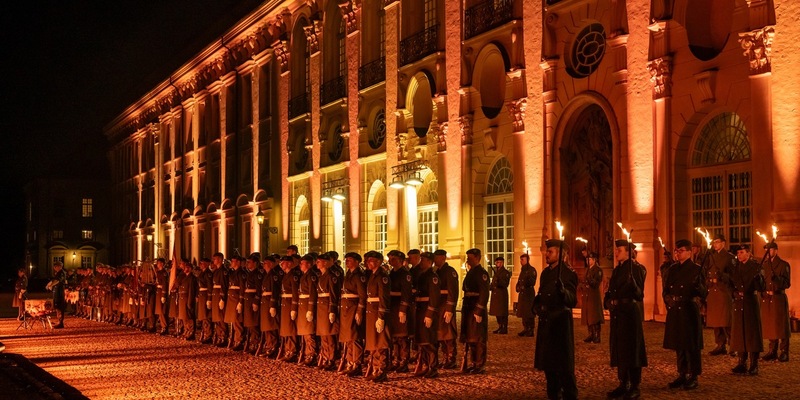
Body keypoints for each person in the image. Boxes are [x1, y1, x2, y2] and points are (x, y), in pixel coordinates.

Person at [534, 239, 578, 400]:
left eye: (550, 251)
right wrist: (537, 305)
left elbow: (572, 300)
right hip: (546, 322)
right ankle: (553, 394)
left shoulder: (568, 273)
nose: (547, 254)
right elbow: (541, 293)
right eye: (547, 251)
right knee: (549, 365)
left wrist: (563, 291)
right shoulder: (546, 273)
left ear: (560, 255)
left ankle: (570, 395)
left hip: (560, 323)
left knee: (563, 365)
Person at [604, 240, 648, 399]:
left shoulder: (635, 269)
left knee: (632, 348)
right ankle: (623, 382)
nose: (616, 252)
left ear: (628, 252)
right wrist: (608, 300)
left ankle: (635, 385)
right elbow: (611, 291)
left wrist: (634, 284)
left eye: (619, 250)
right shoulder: (617, 270)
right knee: (620, 348)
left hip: (630, 313)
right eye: (615, 249)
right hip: (618, 313)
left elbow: (639, 294)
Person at [663, 239, 707, 391]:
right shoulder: (673, 269)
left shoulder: (696, 269)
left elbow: (704, 293)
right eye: (676, 250)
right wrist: (668, 300)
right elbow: (666, 289)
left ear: (689, 252)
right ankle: (682, 373)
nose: (678, 253)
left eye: (681, 250)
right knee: (679, 344)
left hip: (689, 309)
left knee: (691, 345)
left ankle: (693, 375)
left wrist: (698, 287)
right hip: (676, 309)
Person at [730, 244, 765, 375]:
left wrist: (758, 279)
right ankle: (741, 362)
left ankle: (754, 364)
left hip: (750, 302)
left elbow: (761, 287)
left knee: (752, 334)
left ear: (748, 253)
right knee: (740, 333)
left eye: (742, 252)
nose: (739, 255)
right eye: (738, 253)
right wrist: (734, 293)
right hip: (739, 304)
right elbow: (731, 285)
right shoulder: (736, 267)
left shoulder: (756, 267)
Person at [703, 234, 735, 356]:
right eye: (714, 242)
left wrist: (722, 276)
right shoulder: (712, 257)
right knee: (716, 321)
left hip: (724, 291)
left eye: (717, 242)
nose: (715, 244)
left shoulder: (729, 257)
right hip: (713, 291)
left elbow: (733, 275)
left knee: (726, 320)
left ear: (723, 243)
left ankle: (732, 345)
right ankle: (720, 344)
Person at [760, 241, 791, 362]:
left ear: (776, 250)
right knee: (770, 324)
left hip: (778, 297)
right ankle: (772, 350)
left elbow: (787, 283)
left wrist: (777, 279)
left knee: (781, 325)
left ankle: (784, 351)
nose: (767, 253)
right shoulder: (764, 265)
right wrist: (762, 292)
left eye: (770, 250)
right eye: (766, 250)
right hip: (767, 298)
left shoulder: (784, 265)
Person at [460, 248, 490, 373]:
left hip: (476, 306)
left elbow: (484, 293)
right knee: (470, 337)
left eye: (470, 257)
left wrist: (479, 310)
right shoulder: (471, 272)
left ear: (477, 258)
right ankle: (473, 362)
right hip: (468, 306)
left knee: (478, 338)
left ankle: (479, 364)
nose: (467, 259)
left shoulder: (481, 273)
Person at [338, 252, 367, 377]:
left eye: (349, 260)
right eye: (346, 260)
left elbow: (362, 295)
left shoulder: (358, 275)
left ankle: (357, 364)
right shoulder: (349, 274)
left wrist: (359, 311)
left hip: (353, 308)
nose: (347, 261)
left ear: (356, 261)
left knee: (355, 338)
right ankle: (350, 362)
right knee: (348, 338)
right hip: (346, 309)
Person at [364, 250, 391, 382]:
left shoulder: (382, 276)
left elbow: (383, 298)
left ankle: (381, 370)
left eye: (371, 261)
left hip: (378, 312)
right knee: (373, 342)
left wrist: (381, 316)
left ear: (379, 262)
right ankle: (375, 369)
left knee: (380, 343)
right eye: (368, 260)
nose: (368, 263)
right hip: (371, 312)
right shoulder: (373, 275)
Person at [413, 251, 440, 378]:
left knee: (429, 341)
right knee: (423, 341)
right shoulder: (422, 275)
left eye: (423, 260)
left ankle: (433, 367)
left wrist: (429, 314)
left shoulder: (432, 277)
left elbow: (434, 297)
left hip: (427, 311)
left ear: (429, 262)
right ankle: (426, 365)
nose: (421, 262)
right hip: (420, 309)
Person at [387, 250, 413, 372]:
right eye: (390, 259)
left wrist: (403, 309)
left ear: (400, 260)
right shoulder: (391, 273)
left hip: (400, 307)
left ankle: (404, 361)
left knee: (402, 336)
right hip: (392, 307)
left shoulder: (404, 274)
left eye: (393, 259)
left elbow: (406, 293)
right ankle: (395, 359)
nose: (390, 261)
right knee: (394, 337)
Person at [433, 249, 459, 369]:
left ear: (443, 258)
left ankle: (451, 358)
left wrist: (450, 308)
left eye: (437, 257)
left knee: (448, 333)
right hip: (438, 305)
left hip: (445, 306)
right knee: (440, 333)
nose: (434, 260)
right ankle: (445, 356)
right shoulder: (436, 271)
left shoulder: (449, 272)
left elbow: (453, 291)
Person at [315, 253, 340, 369]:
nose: (317, 263)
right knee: (323, 335)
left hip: (327, 307)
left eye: (319, 261)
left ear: (325, 263)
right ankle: (325, 357)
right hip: (321, 307)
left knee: (329, 335)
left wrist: (332, 310)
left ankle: (331, 359)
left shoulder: (331, 275)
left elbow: (333, 295)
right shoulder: (321, 275)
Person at [257, 255, 282, 358]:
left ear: (271, 264)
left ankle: (273, 347)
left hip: (269, 302)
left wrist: (273, 305)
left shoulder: (273, 275)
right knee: (267, 326)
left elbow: (275, 291)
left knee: (271, 326)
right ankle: (269, 346)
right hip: (265, 302)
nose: (264, 265)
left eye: (266, 263)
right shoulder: (267, 275)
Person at [278, 255, 302, 362]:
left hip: (290, 303)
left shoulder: (293, 276)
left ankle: (292, 350)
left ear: (289, 264)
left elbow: (295, 292)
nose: (281, 264)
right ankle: (288, 349)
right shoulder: (286, 275)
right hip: (285, 303)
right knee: (286, 328)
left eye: (283, 263)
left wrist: (294, 307)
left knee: (290, 328)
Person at [224, 256, 247, 350]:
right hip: (231, 299)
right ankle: (234, 339)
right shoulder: (233, 273)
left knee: (237, 321)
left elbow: (242, 288)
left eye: (233, 261)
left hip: (237, 299)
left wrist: (240, 302)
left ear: (238, 262)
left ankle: (239, 340)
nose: (231, 263)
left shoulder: (241, 273)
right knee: (233, 321)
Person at [243, 254, 264, 354]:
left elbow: (259, 289)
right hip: (248, 300)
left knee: (253, 324)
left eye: (249, 262)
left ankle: (255, 343)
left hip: (252, 300)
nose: (247, 264)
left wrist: (256, 301)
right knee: (249, 324)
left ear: (255, 263)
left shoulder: (257, 274)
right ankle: (252, 342)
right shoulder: (250, 273)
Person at [581, 252, 604, 343]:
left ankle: (596, 335)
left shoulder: (597, 270)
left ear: (594, 260)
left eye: (589, 259)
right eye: (587, 259)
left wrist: (589, 278)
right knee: (588, 316)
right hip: (587, 295)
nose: (588, 261)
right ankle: (590, 334)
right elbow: (583, 281)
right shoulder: (587, 270)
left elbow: (595, 283)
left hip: (593, 295)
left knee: (594, 316)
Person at [516, 253, 537, 337]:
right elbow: (520, 280)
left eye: (523, 260)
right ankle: (525, 328)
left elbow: (532, 282)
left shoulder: (531, 270)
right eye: (520, 260)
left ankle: (530, 329)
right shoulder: (523, 270)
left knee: (529, 312)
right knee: (523, 312)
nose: (521, 261)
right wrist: (517, 287)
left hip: (528, 294)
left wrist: (529, 278)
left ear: (527, 260)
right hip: (522, 293)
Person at [210, 252, 229, 346]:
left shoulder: (223, 271)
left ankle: (223, 337)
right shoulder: (216, 271)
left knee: (221, 318)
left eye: (215, 259)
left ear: (220, 260)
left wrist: (222, 298)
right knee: (217, 318)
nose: (213, 261)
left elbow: (224, 286)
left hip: (219, 296)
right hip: (215, 295)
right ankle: (218, 335)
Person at [177, 258, 198, 340]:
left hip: (187, 299)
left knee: (189, 317)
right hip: (183, 299)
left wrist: (190, 302)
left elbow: (191, 291)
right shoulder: (183, 277)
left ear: (190, 269)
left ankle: (191, 332)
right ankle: (186, 331)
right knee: (184, 317)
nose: (185, 269)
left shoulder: (192, 278)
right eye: (184, 268)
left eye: (187, 268)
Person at [489, 256, 510, 334]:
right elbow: (493, 283)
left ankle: (504, 327)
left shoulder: (506, 273)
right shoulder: (496, 272)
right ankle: (500, 326)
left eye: (500, 262)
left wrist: (499, 280)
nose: (499, 264)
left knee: (502, 312)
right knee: (497, 312)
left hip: (501, 295)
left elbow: (505, 284)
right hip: (495, 294)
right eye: (497, 262)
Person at [196, 257, 214, 343]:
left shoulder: (208, 273)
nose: (200, 265)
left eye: (202, 263)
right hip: (202, 295)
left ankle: (208, 335)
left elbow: (210, 287)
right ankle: (205, 333)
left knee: (206, 316)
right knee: (203, 316)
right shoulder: (202, 273)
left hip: (206, 295)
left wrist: (209, 299)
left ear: (207, 264)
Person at [50, 260, 68, 328]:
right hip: (57, 291)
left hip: (60, 292)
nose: (54, 268)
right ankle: (59, 321)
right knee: (57, 307)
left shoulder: (61, 273)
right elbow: (55, 280)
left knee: (60, 306)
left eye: (55, 266)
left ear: (59, 266)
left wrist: (51, 285)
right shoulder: (58, 273)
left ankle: (61, 322)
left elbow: (57, 281)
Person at [154, 258, 170, 335]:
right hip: (158, 292)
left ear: (162, 264)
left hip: (161, 293)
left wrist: (164, 295)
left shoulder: (164, 273)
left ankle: (165, 327)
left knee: (162, 311)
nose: (157, 264)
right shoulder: (158, 272)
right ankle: (162, 326)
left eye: (159, 263)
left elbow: (165, 284)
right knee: (160, 311)